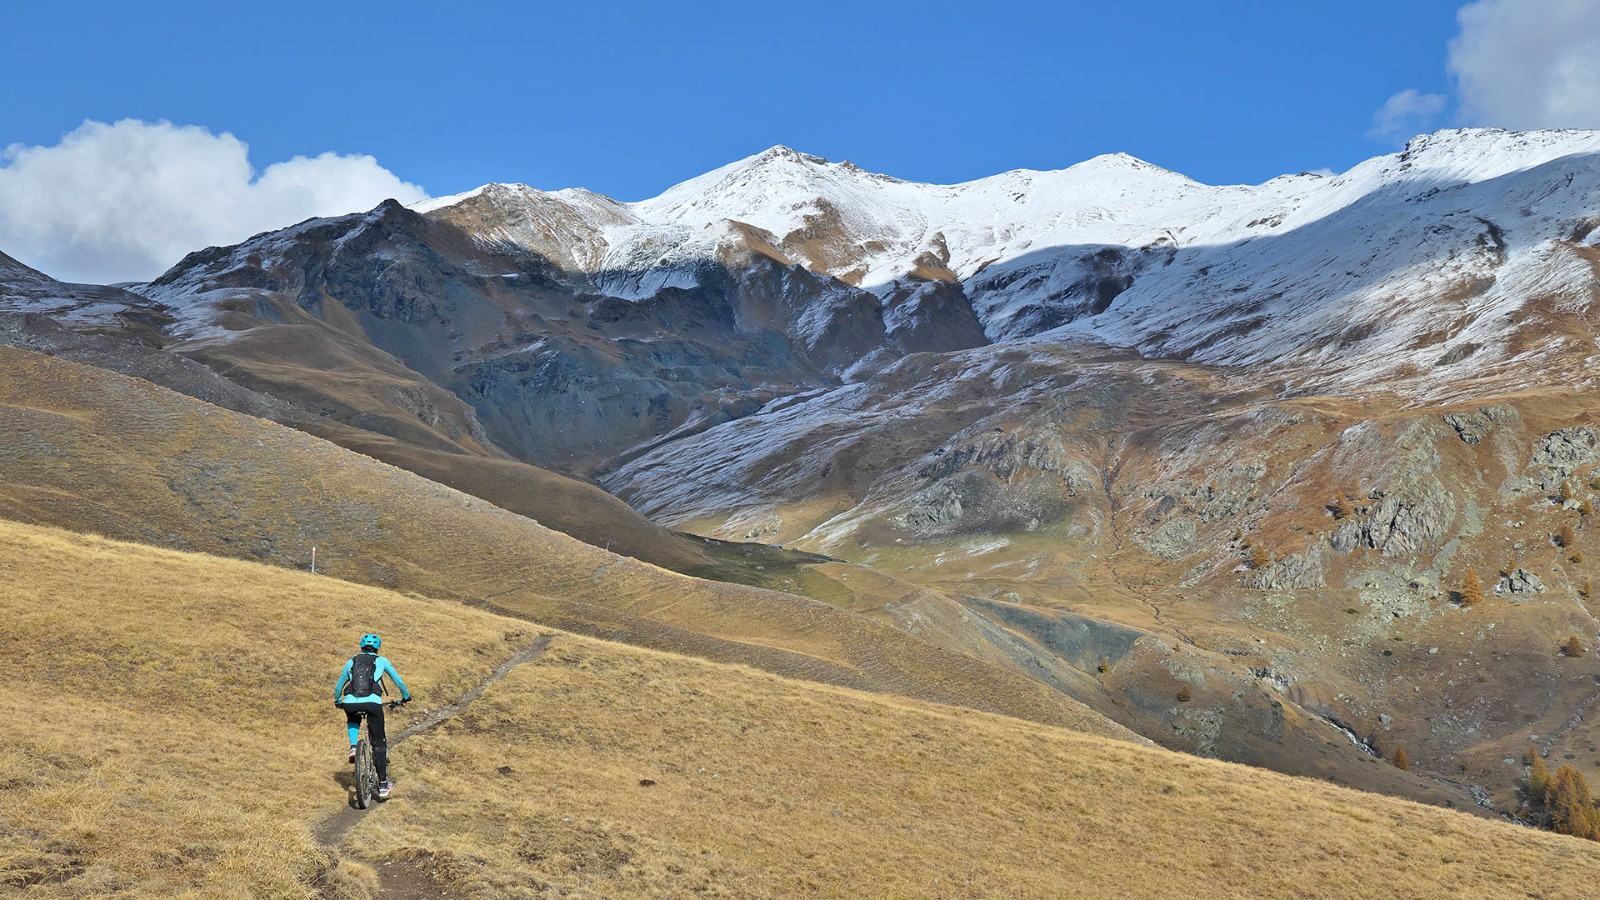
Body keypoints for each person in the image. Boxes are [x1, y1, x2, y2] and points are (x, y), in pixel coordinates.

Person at [334, 633, 411, 800]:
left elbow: (339, 684)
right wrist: (405, 697)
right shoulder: (381, 661)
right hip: (372, 704)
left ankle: (354, 746)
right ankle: (383, 785)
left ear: (361, 646)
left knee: (353, 718)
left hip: (350, 702)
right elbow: (399, 681)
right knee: (379, 744)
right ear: (377, 647)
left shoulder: (351, 661)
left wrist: (338, 700)